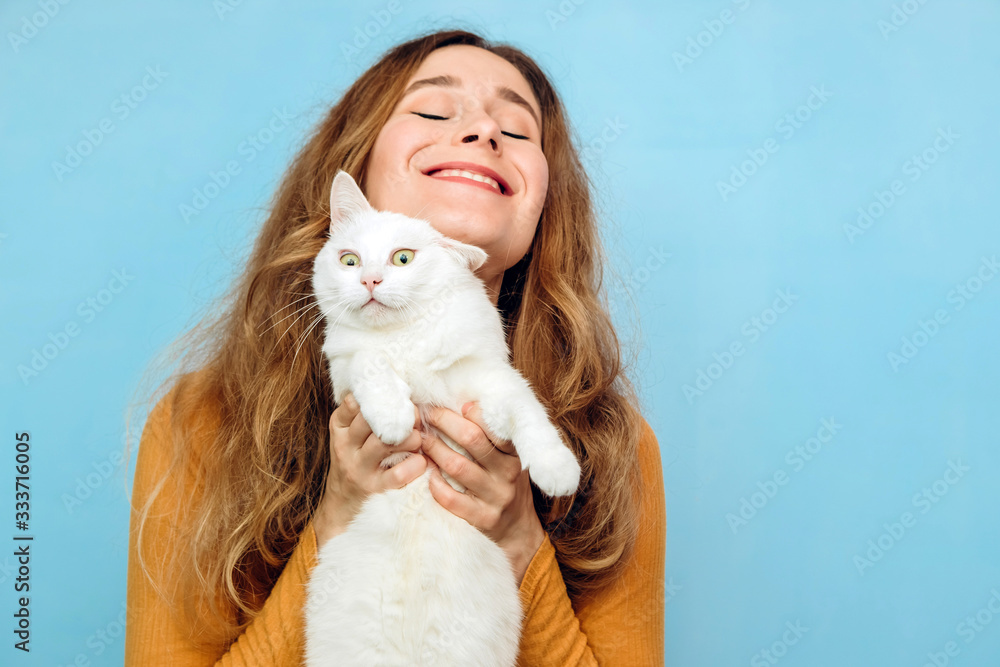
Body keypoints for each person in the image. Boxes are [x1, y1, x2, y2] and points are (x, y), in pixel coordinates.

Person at [125, 28, 665, 666]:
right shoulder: (201, 422)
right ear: (356, 168)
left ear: (543, 205)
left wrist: (518, 542)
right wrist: (337, 521)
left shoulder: (615, 444)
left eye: (517, 132)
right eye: (434, 111)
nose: (485, 133)